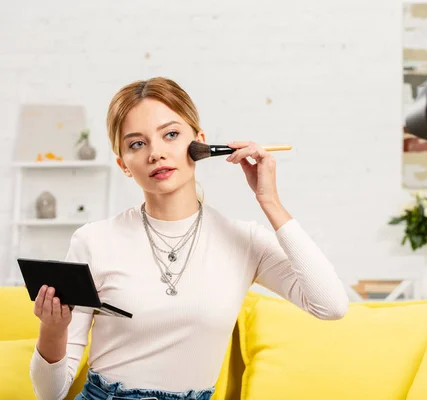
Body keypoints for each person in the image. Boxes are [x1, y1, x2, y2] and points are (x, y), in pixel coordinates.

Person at [29, 77, 349, 400]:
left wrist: (270, 201)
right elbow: (50, 394)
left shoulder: (244, 241)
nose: (156, 153)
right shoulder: (93, 242)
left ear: (200, 142)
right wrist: (53, 330)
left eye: (170, 135)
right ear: (123, 164)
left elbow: (331, 305)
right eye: (137, 144)